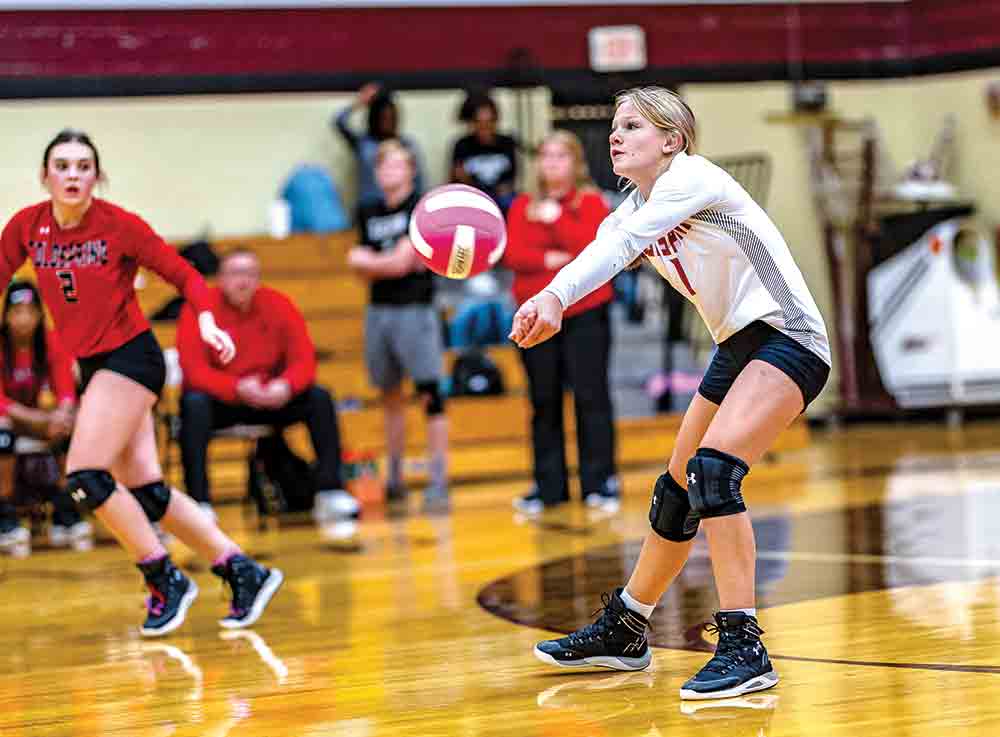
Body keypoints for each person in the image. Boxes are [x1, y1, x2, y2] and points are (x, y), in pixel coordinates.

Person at [510, 88, 830, 700]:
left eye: (631, 125)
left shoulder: (693, 179)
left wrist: (554, 295)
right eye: (613, 126)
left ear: (672, 140)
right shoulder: (634, 206)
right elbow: (606, 246)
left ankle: (745, 644)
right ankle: (628, 624)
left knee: (713, 473)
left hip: (789, 336)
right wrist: (550, 296)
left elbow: (618, 250)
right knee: (677, 488)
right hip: (736, 345)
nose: (615, 135)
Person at [0, 129, 283, 636]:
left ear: (97, 177)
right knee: (146, 489)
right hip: (95, 366)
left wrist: (208, 320)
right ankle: (243, 571)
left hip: (131, 357)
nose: (72, 174)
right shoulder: (26, 227)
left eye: (83, 166)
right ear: (45, 176)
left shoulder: (118, 226)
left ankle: (164, 578)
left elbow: (187, 275)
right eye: (62, 165)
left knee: (85, 478)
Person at [176, 248, 355, 521]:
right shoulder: (199, 310)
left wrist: (285, 386)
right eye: (235, 273)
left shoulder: (278, 304)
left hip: (270, 397)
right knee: (193, 404)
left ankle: (331, 491)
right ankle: (199, 502)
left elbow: (304, 359)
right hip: (225, 401)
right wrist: (236, 387)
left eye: (249, 274)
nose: (243, 281)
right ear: (221, 279)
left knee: (319, 398)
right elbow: (194, 370)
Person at [503, 130, 619, 515]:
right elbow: (515, 255)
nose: (551, 163)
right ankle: (548, 487)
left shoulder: (591, 202)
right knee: (543, 400)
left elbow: (594, 254)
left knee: (591, 397)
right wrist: (554, 257)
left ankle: (599, 483)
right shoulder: (522, 205)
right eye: (545, 155)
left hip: (587, 312)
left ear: (576, 163)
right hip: (535, 316)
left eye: (560, 156)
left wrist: (557, 224)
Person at [348, 140, 450, 511]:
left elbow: (400, 263)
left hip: (416, 309)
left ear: (410, 170)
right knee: (389, 395)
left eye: (397, 165)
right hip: (379, 311)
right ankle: (394, 479)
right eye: (383, 166)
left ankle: (438, 480)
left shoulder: (421, 209)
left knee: (430, 396)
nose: (389, 172)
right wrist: (382, 261)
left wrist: (371, 261)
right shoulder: (368, 209)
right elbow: (362, 260)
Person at [0, 280, 88, 554]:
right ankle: (5, 514)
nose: (23, 319)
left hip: (37, 419)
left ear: (39, 315)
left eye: (30, 312)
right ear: (6, 317)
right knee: (1, 431)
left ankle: (64, 510)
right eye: (17, 312)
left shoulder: (50, 341)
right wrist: (40, 418)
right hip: (11, 418)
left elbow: (65, 389)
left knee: (70, 429)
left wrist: (63, 414)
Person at [334, 82, 426, 209]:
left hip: (403, 209)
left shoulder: (407, 144)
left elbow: (419, 182)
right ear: (374, 119)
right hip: (370, 209)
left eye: (392, 118)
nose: (388, 123)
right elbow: (338, 121)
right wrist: (360, 101)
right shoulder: (363, 144)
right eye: (383, 118)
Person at [451, 91, 519, 214]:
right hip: (473, 196)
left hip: (502, 196)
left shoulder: (507, 142)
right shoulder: (462, 145)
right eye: (479, 122)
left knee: (512, 202)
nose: (485, 128)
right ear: (471, 123)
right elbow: (458, 178)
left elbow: (512, 178)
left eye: (489, 122)